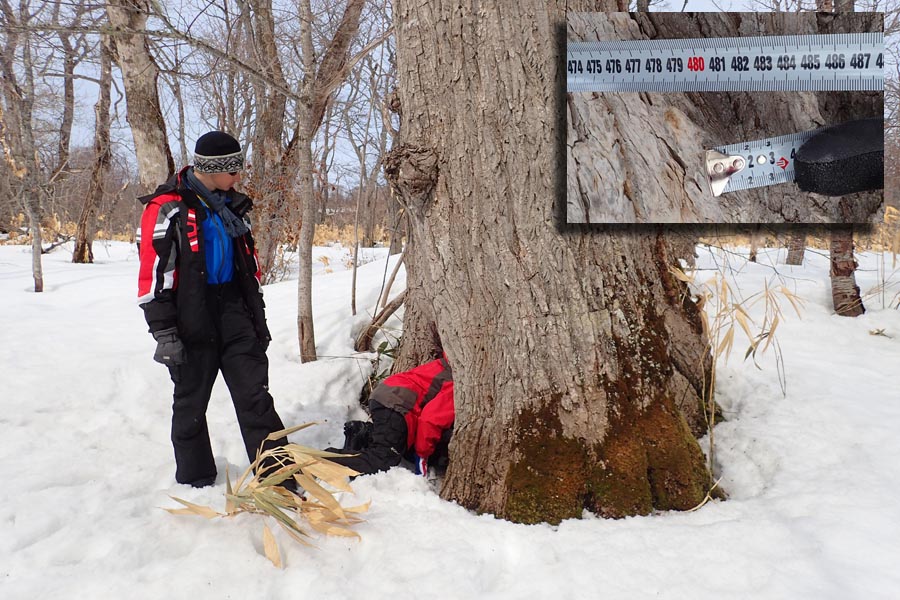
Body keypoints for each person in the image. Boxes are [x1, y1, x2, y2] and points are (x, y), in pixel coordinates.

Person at [137, 131, 290, 489]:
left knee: (255, 397)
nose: (238, 177)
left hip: (234, 311)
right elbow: (153, 275)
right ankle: (196, 480)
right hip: (190, 316)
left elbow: (249, 269)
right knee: (190, 404)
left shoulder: (232, 207)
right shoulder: (167, 208)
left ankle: (279, 477)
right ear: (212, 169)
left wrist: (257, 320)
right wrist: (164, 332)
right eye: (233, 170)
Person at [327, 355, 454, 477]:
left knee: (402, 450)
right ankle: (321, 461)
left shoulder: (450, 364)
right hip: (398, 403)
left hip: (391, 395)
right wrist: (422, 458)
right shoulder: (459, 383)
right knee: (382, 460)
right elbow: (430, 420)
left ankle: (365, 433)